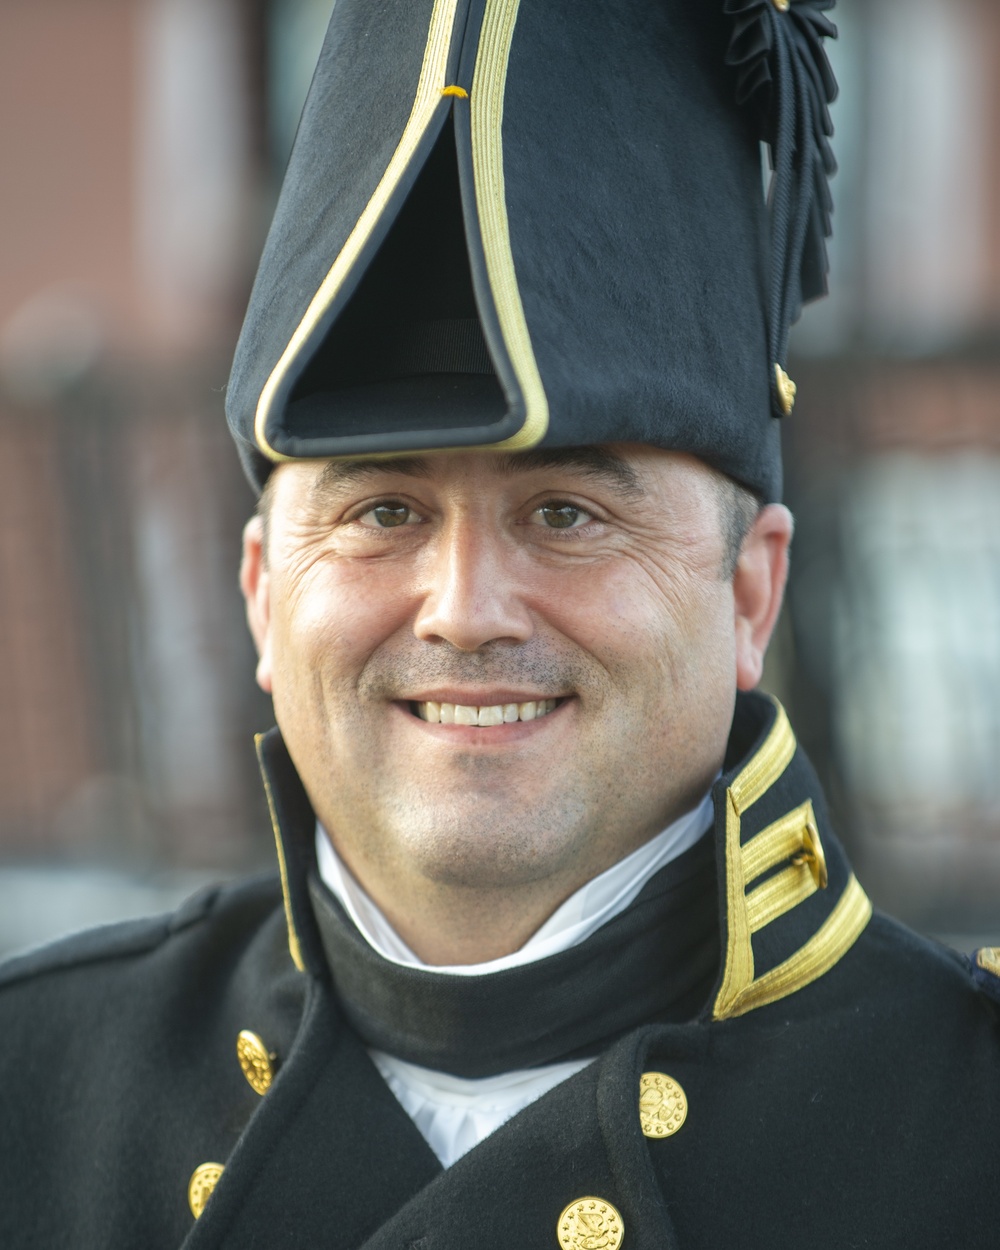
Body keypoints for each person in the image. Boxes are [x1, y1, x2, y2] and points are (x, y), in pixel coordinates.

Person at [2, 1, 998, 1246]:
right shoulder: (31, 1085)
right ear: (262, 590)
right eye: (382, 510)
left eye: (567, 512)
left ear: (748, 592)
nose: (464, 609)